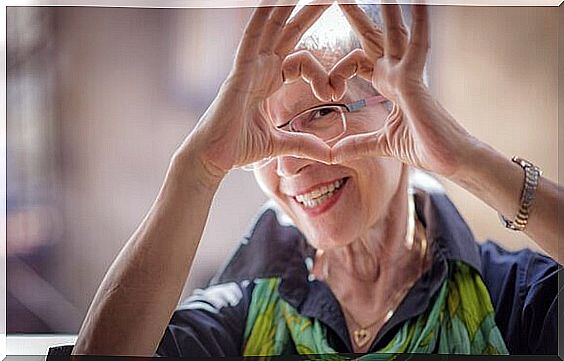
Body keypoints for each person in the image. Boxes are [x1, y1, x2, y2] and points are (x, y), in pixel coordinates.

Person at [62, 1, 561, 358]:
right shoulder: (244, 315)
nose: (287, 165)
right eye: (265, 137)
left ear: (400, 110)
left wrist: (469, 160)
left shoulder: (508, 299)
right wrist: (196, 172)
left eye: (321, 112)